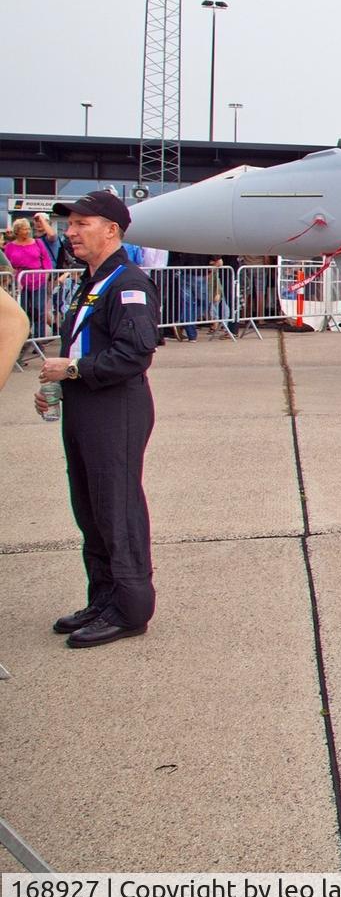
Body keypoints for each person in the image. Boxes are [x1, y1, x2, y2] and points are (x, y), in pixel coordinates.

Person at [34, 190, 161, 649]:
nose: (70, 232)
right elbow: (84, 346)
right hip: (86, 406)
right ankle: (103, 597)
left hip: (115, 409)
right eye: (69, 225)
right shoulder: (92, 283)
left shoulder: (127, 283)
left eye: (81, 224)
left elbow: (134, 352)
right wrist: (57, 382)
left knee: (116, 507)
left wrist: (72, 370)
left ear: (111, 229)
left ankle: (130, 608)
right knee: (89, 508)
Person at [5, 217, 54, 336]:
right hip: (20, 281)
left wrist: (46, 274)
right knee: (23, 311)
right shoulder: (10, 246)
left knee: (39, 310)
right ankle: (25, 337)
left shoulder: (38, 242)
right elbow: (7, 265)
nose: (27, 231)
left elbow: (46, 260)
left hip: (38, 278)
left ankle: (39, 338)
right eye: (24, 229)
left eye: (28, 229)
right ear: (17, 231)